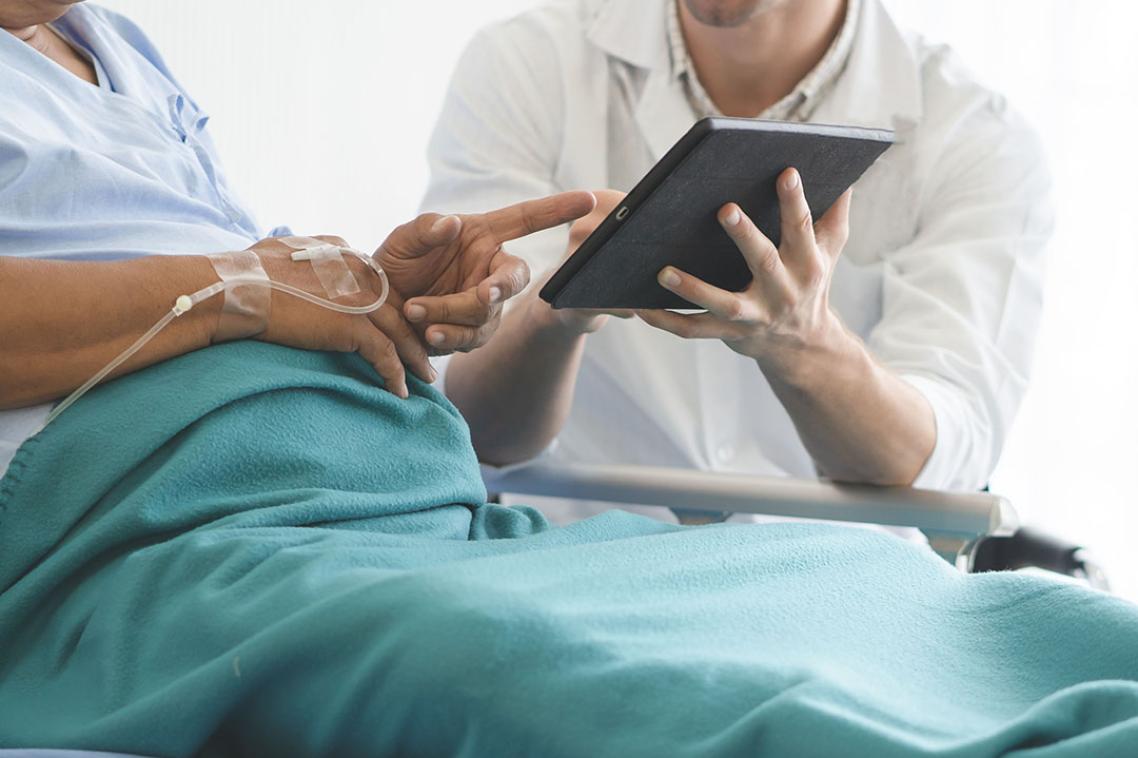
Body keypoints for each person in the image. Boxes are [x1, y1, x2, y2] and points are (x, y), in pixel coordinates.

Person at [418, 0, 1053, 525]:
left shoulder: (975, 137)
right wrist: (553, 311)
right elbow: (478, 429)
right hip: (579, 577)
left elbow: (937, 456)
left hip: (836, 600)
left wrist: (806, 344)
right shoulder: (527, 66)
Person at [0, 0, 594, 475]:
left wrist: (374, 299)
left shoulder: (113, 44)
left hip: (372, 484)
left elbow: (226, 260)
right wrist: (242, 290)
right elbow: (238, 285)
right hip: (183, 506)